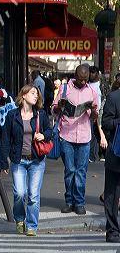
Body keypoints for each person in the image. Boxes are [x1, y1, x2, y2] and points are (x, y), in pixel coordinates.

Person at [1, 85, 52, 236]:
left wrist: (44, 135)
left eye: (37, 94)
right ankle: (19, 219)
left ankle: (31, 226)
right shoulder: (12, 115)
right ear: (23, 95)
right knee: (19, 193)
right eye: (32, 93)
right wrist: (4, 161)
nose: (36, 96)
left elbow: (50, 130)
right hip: (18, 160)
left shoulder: (40, 114)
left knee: (33, 195)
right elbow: (5, 139)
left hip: (36, 160)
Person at [52, 65, 99, 215]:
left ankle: (79, 202)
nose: (83, 81)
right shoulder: (65, 89)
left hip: (84, 137)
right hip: (67, 135)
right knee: (70, 171)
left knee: (81, 172)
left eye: (86, 79)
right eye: (80, 79)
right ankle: (69, 201)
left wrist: (93, 111)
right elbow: (53, 109)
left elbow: (94, 116)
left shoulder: (91, 91)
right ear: (75, 76)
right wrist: (60, 106)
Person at [101, 87, 120, 243]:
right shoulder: (114, 97)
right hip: (116, 153)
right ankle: (112, 230)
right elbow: (105, 122)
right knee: (112, 194)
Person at [88, 66, 108, 162]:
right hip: (90, 112)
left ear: (97, 73)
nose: (91, 74)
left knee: (99, 133)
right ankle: (92, 155)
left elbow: (105, 97)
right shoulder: (87, 84)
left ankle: (101, 154)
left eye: (93, 72)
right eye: (90, 72)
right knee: (92, 133)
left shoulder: (101, 84)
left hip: (101, 111)